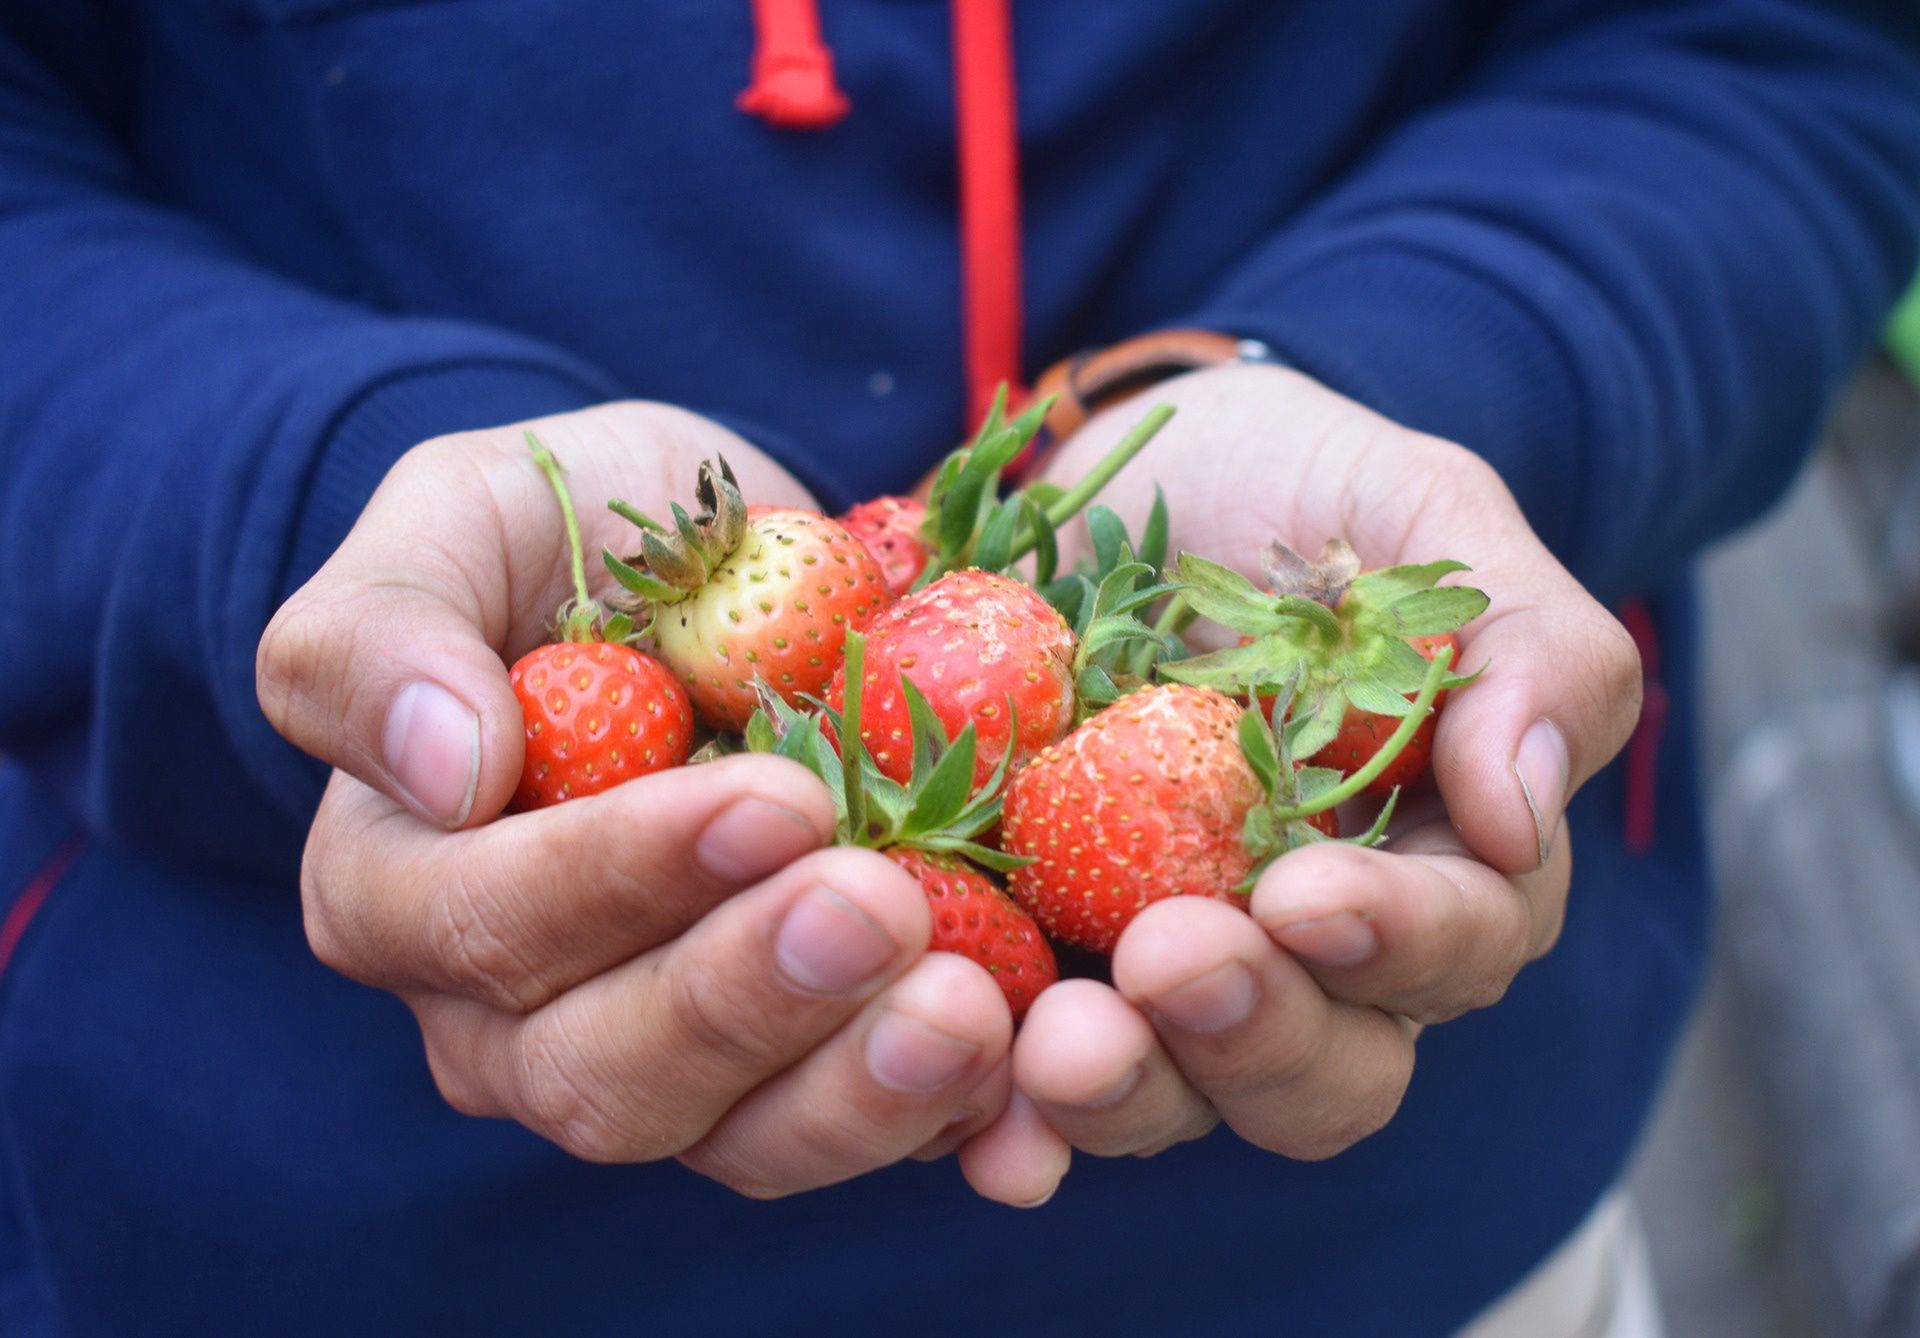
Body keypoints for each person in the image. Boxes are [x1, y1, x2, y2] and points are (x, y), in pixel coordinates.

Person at [1, 2, 1915, 1333]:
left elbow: (1766, 42)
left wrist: (1424, 375)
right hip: (319, 1246)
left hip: (1417, 1258)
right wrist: (319, 512)